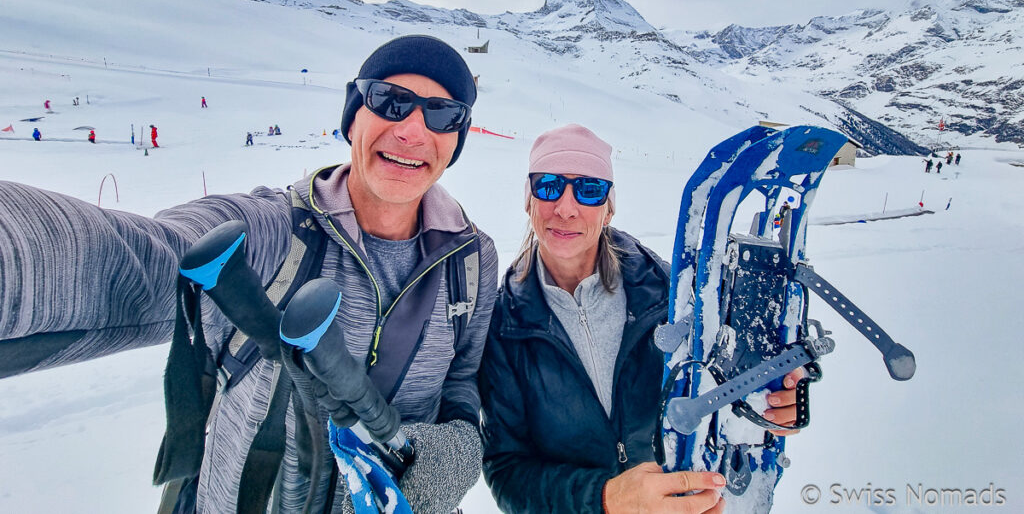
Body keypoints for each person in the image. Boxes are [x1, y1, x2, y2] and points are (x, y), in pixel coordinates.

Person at [0, 35, 497, 514]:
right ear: (352, 119)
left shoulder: (471, 260)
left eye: (442, 113)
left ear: (455, 140)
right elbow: (143, 257)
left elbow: (462, 381)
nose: (412, 130)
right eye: (390, 101)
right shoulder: (277, 231)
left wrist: (458, 446)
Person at [479, 124, 804, 514]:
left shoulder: (671, 293)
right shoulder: (503, 326)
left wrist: (771, 400)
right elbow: (507, 470)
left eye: (589, 189)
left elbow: (723, 389)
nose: (565, 208)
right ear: (529, 201)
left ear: (609, 206)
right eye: (548, 186)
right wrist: (607, 498)